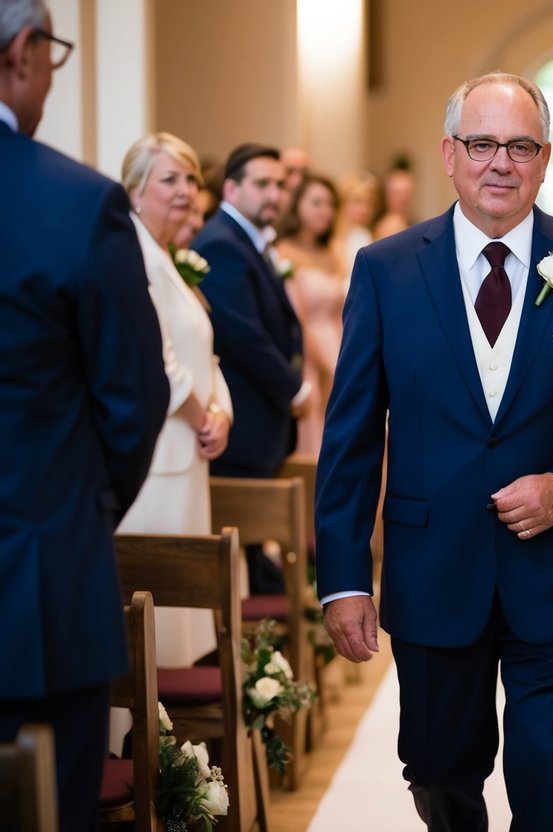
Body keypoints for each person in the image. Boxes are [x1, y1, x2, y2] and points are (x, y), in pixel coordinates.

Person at [314, 71, 553, 831]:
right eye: (481, 143)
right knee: (440, 767)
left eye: (520, 145)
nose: (499, 162)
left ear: (544, 160)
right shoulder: (385, 268)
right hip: (432, 568)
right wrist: (342, 578)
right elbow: (349, 438)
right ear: (449, 152)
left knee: (547, 773)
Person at [0, 3, 169, 829]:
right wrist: (80, 513)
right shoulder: (76, 204)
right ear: (24, 51)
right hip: (36, 593)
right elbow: (132, 400)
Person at [118, 132, 234, 666]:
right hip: (158, 462)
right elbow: (156, 359)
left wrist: (222, 413)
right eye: (170, 179)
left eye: (191, 178)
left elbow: (206, 358)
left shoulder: (171, 260)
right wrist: (200, 415)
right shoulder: (132, 256)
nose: (186, 190)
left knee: (183, 617)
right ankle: (147, 740)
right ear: (135, 190)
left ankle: (173, 743)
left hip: (190, 455)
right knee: (156, 616)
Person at [195, 143, 308, 479]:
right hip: (244, 424)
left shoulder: (247, 240)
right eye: (262, 185)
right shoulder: (222, 243)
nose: (274, 195)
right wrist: (293, 389)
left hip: (260, 422)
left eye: (280, 185)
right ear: (231, 188)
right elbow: (244, 334)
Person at [276, 173, 346, 456]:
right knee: (317, 436)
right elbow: (298, 319)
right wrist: (328, 366)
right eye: (316, 203)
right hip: (309, 352)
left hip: (339, 342)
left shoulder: (333, 252)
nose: (325, 211)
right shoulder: (283, 252)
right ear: (297, 206)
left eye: (330, 204)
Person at [332, 168, 380, 276]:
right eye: (357, 201)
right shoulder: (327, 235)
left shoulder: (362, 236)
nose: (364, 209)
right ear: (342, 201)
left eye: (369, 203)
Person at [374, 161, 415, 239]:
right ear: (388, 195)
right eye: (398, 193)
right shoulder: (389, 226)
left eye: (407, 193)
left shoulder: (410, 221)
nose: (403, 198)